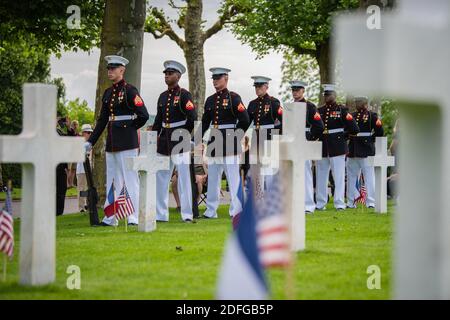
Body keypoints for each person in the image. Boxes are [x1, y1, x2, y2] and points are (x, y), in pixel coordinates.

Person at [85, 55, 149, 226]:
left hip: (127, 141)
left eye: (113, 68)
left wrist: (129, 128)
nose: (110, 71)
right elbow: (102, 120)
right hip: (112, 142)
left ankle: (133, 216)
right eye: (108, 68)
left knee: (130, 179)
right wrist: (90, 141)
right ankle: (111, 217)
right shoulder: (108, 93)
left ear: (122, 70)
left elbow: (144, 115)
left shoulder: (130, 91)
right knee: (113, 179)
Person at [200, 67, 250, 219]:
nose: (215, 81)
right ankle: (210, 211)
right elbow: (204, 123)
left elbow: (245, 120)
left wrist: (235, 137)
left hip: (229, 139)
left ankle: (237, 210)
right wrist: (196, 140)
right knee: (213, 178)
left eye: (218, 78)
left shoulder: (234, 98)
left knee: (233, 178)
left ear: (226, 79)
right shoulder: (210, 100)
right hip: (214, 139)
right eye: (213, 78)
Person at [151, 60, 197, 223]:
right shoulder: (162, 97)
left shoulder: (184, 95)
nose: (167, 76)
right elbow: (158, 120)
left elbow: (192, 117)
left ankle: (187, 214)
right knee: (161, 179)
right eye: (165, 73)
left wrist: (184, 135)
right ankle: (161, 214)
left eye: (170, 73)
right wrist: (152, 138)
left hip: (180, 139)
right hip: (164, 140)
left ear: (178, 76)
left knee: (184, 179)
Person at [316, 84, 359, 211]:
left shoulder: (342, 110)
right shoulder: (320, 110)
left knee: (338, 176)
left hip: (338, 147)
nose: (326, 97)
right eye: (325, 95)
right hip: (323, 146)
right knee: (321, 176)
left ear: (334, 95)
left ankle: (339, 203)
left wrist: (342, 136)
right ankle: (320, 203)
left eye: (329, 95)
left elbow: (354, 129)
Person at [290, 80, 324, 213]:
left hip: (304, 140)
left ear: (303, 91)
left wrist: (309, 138)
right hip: (292, 140)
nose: (295, 92)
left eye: (298, 90)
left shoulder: (310, 106)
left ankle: (309, 205)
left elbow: (319, 126)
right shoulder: (289, 106)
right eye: (293, 90)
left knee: (305, 173)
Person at [346, 96, 384, 208]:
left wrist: (370, 140)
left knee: (369, 177)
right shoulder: (352, 115)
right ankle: (351, 201)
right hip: (353, 149)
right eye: (356, 102)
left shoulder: (372, 116)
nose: (357, 104)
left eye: (360, 102)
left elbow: (379, 132)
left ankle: (371, 202)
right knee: (351, 176)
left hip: (366, 149)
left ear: (365, 103)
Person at [247, 76, 283, 189]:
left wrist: (277, 136)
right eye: (256, 86)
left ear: (266, 87)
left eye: (260, 86)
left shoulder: (273, 102)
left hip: (269, 137)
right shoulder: (252, 104)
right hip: (256, 137)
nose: (257, 89)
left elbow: (284, 121)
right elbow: (246, 122)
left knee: (269, 169)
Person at [76, 124, 93, 212]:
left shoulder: (91, 143)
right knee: (82, 189)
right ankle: (81, 207)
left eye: (90, 132)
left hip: (90, 169)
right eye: (88, 132)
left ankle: (88, 204)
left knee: (88, 188)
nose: (89, 134)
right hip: (82, 170)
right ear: (83, 133)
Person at [56, 115, 69, 216]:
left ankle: (59, 212)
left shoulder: (59, 131)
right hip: (52, 165)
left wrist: (69, 128)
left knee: (62, 188)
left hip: (61, 165)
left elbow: (68, 140)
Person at [67, 120, 79, 188]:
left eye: (76, 124)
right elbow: (69, 130)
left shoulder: (76, 133)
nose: (76, 126)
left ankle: (71, 184)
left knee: (73, 169)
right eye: (74, 124)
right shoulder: (70, 131)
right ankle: (67, 184)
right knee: (68, 169)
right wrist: (68, 126)